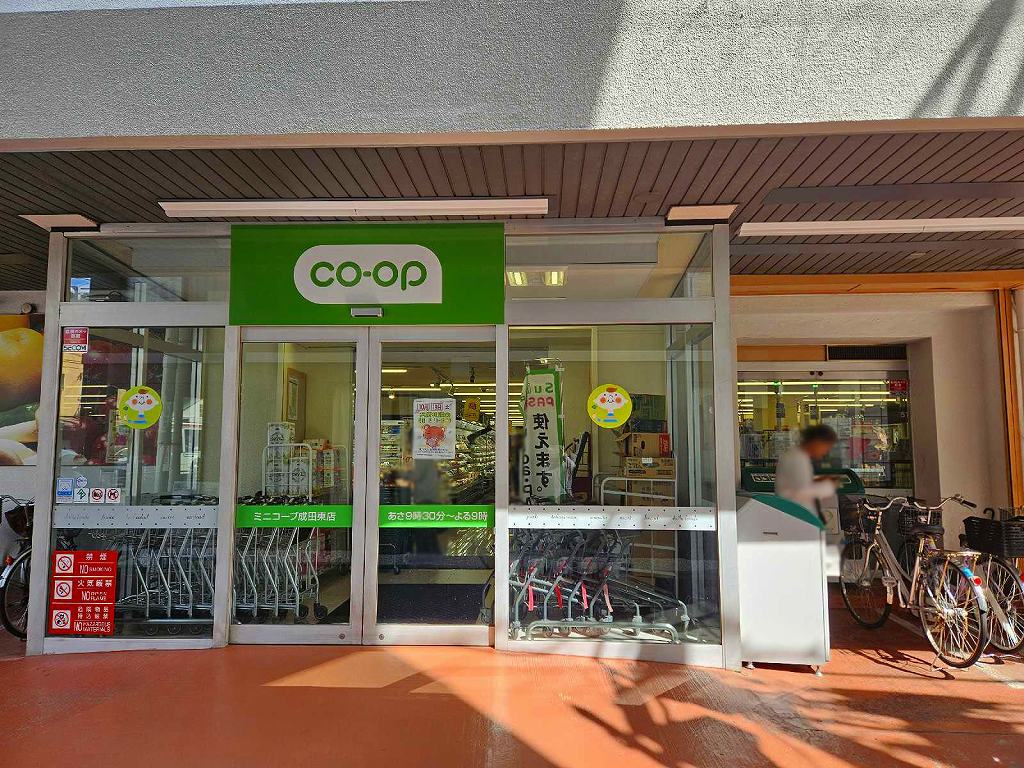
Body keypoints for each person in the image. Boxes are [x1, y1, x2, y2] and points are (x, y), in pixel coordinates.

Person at [775, 424, 839, 515]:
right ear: (817, 442)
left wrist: (816, 482)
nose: (825, 452)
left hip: (795, 513)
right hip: (796, 515)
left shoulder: (797, 456)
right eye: (826, 447)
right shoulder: (797, 459)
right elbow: (800, 493)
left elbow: (797, 485)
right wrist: (828, 486)